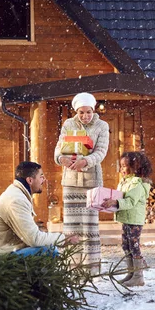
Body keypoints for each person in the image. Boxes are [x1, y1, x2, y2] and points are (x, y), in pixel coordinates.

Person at [0, 161, 79, 256]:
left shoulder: (18, 195)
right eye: (41, 176)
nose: (44, 179)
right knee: (48, 251)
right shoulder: (16, 200)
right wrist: (64, 239)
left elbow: (27, 234)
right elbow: (34, 239)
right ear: (30, 180)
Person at [54, 92, 109, 273]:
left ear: (93, 110)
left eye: (88, 112)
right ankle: (72, 267)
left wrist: (85, 161)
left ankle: (91, 268)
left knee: (89, 225)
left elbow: (101, 152)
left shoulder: (102, 126)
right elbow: (59, 148)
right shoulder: (68, 124)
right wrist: (60, 158)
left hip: (91, 181)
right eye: (81, 112)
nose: (85, 116)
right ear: (76, 111)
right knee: (72, 226)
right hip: (70, 181)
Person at [101, 151, 152, 286]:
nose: (121, 169)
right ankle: (131, 273)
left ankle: (138, 276)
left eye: (124, 166)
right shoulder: (125, 182)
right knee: (126, 245)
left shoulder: (136, 184)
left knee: (134, 246)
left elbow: (129, 202)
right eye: (121, 166)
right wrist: (111, 202)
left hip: (134, 220)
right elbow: (120, 197)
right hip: (127, 219)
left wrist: (116, 203)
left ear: (135, 167)